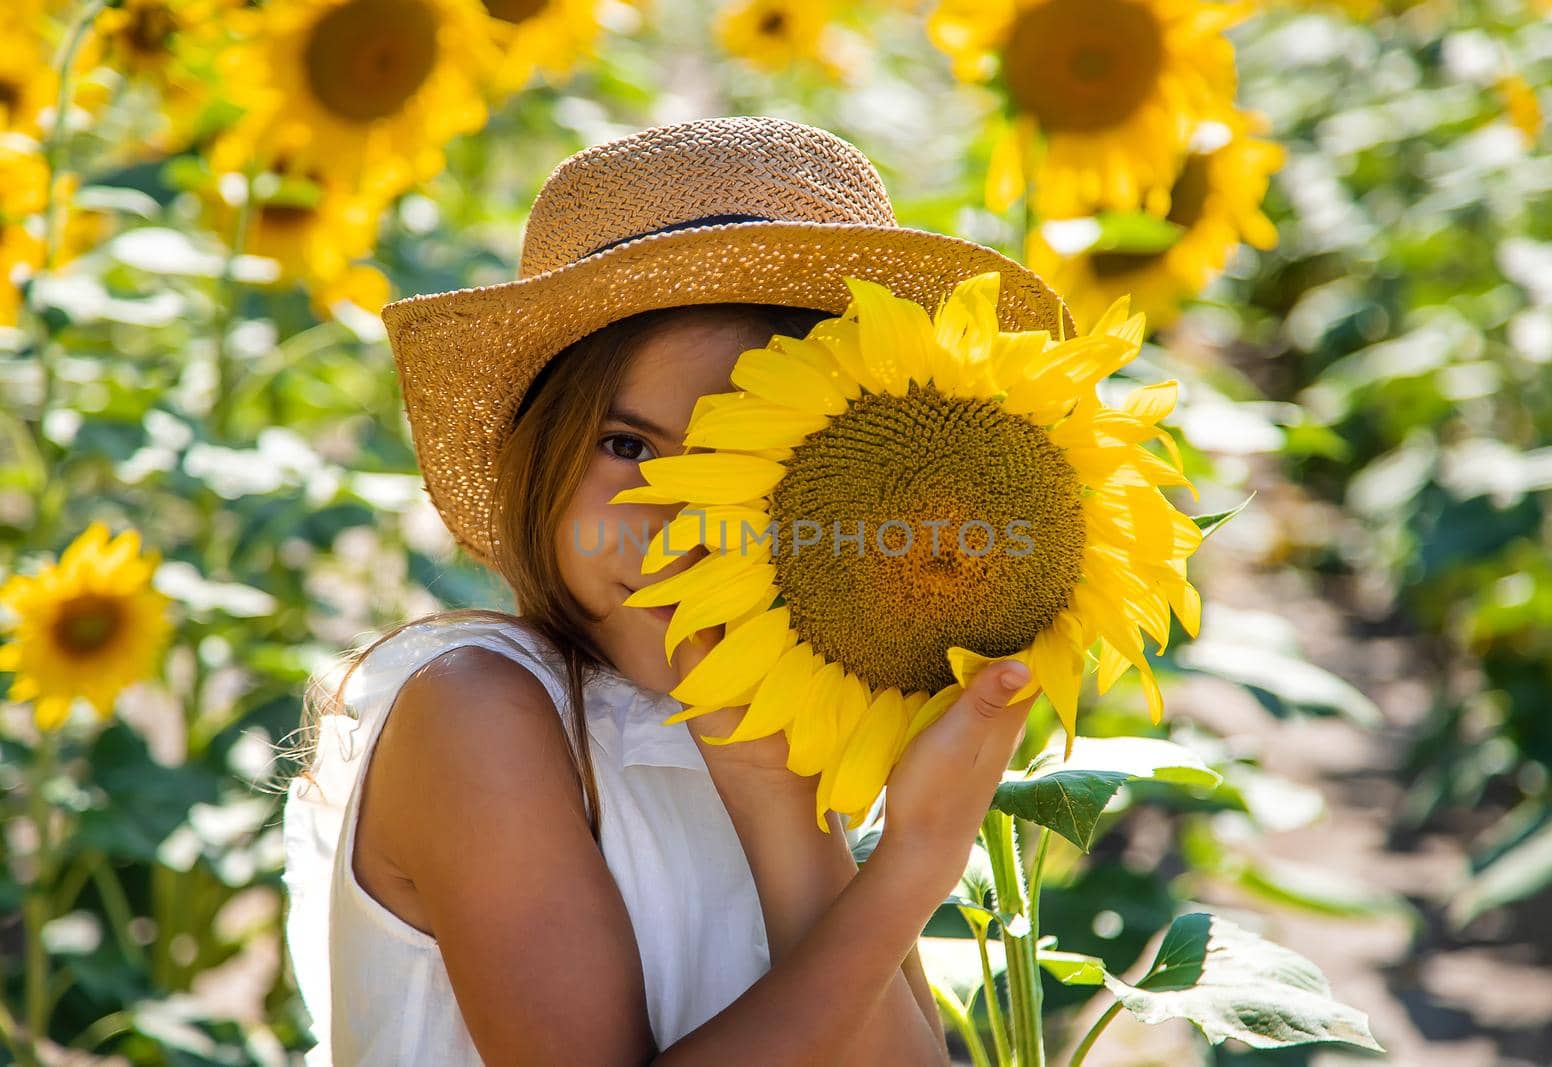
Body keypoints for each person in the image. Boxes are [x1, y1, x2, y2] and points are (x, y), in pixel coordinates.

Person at [278, 114, 1072, 1065]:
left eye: (750, 464)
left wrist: (772, 792)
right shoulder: (477, 709)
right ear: (540, 459)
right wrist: (911, 866)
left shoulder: (783, 725)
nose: (680, 527)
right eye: (627, 447)